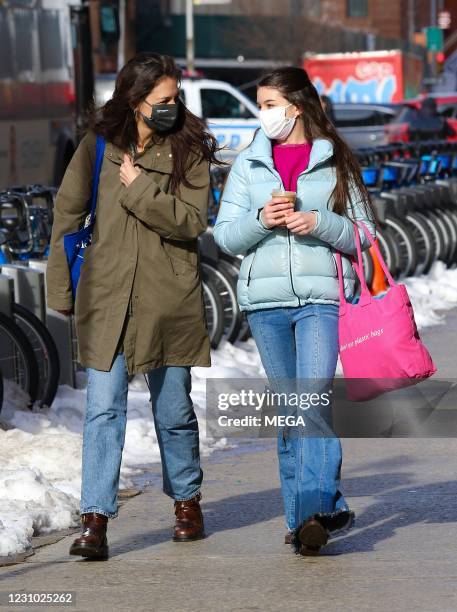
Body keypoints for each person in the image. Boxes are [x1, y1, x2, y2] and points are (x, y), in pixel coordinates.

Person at [46, 52, 220, 559]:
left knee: (173, 411)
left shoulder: (188, 150)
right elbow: (67, 216)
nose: (173, 107)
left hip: (169, 300)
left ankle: (186, 500)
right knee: (103, 410)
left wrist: (139, 188)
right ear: (134, 100)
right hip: (107, 298)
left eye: (176, 98)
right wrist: (61, 290)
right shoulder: (97, 147)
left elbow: (190, 222)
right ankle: (94, 519)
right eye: (163, 100)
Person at [213, 66, 377, 556]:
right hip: (265, 304)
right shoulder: (249, 165)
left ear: (296, 107)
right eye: (260, 105)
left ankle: (314, 512)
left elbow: (365, 236)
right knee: (292, 411)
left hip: (320, 300)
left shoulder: (336, 161)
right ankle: (302, 517)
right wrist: (263, 219)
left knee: (312, 402)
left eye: (268, 105)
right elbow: (224, 236)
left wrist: (318, 221)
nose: (262, 115)